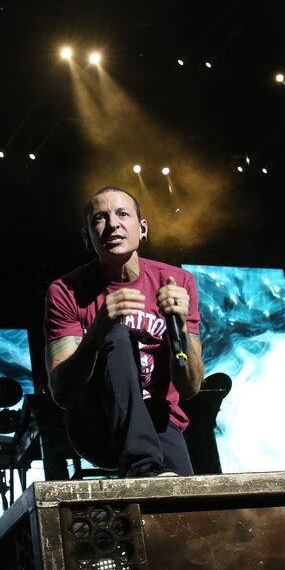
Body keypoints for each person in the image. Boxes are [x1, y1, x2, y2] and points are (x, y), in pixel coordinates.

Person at [44, 187, 205, 477]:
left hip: (159, 421)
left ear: (142, 229)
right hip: (97, 425)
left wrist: (179, 327)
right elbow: (62, 393)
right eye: (100, 218)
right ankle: (142, 469)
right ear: (87, 237)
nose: (113, 224)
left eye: (122, 214)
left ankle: (149, 465)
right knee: (116, 334)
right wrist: (98, 330)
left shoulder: (178, 282)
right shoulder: (66, 291)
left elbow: (190, 387)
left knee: (185, 499)